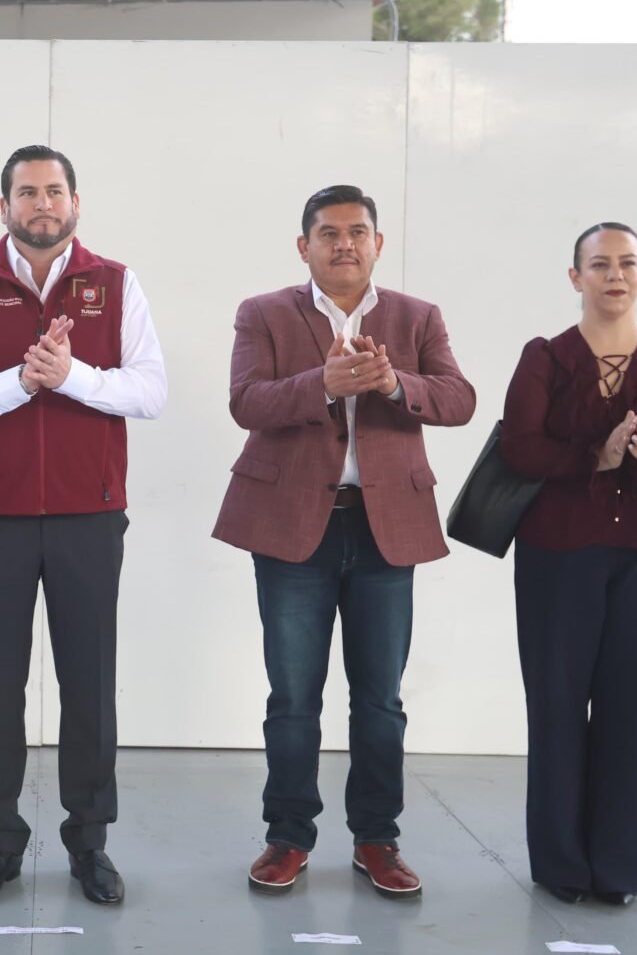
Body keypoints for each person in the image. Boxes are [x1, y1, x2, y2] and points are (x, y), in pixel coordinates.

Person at [0, 144, 166, 906]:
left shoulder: (115, 284)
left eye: (54, 191)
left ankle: (89, 843)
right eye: (27, 192)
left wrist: (72, 377)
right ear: (4, 207)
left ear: (76, 203)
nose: (42, 204)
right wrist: (19, 384)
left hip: (90, 513)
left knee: (89, 684)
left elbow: (150, 391)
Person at [213, 185, 475, 899]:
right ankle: (287, 837)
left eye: (358, 232)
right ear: (305, 247)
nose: (344, 244)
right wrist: (322, 384)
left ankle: (377, 839)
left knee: (381, 700)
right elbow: (245, 401)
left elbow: (459, 399)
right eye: (328, 233)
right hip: (293, 525)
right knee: (294, 697)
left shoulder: (418, 316)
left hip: (386, 527)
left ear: (377, 244)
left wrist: (394, 384)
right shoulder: (263, 313)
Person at [499, 222, 637, 907]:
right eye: (599, 264)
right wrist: (599, 454)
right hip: (557, 552)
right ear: (576, 277)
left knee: (632, 710)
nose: (615, 275)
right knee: (556, 706)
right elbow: (520, 449)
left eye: (626, 263)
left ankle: (618, 871)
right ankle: (562, 866)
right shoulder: (545, 357)